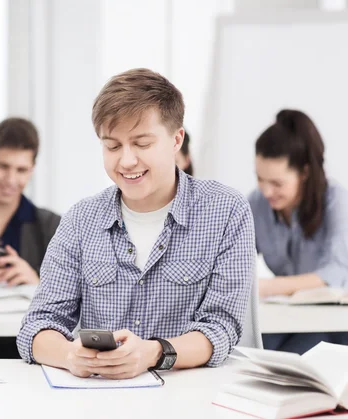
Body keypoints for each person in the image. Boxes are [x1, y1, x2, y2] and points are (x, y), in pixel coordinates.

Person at [17, 68, 255, 378]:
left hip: (190, 398)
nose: (126, 161)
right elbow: (36, 327)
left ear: (176, 140)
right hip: (100, 398)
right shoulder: (80, 220)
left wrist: (153, 353)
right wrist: (69, 354)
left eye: (142, 144)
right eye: (112, 146)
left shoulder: (226, 211)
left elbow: (221, 329)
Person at [249, 109, 348, 354]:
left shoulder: (335, 199)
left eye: (277, 183)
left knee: (289, 358)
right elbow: (234, 256)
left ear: (304, 173)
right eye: (260, 179)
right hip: (288, 315)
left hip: (335, 320)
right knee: (252, 351)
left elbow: (334, 273)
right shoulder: (257, 203)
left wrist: (261, 287)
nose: (266, 191)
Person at [0, 117, 60, 358]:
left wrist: (35, 283)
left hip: (29, 354)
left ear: (32, 170)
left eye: (21, 170)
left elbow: (72, 302)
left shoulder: (53, 227)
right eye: (3, 166)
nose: (10, 180)